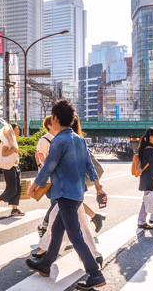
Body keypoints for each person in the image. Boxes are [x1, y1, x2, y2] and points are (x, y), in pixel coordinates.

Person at [24, 99, 107, 290]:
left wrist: (34, 186)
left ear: (54, 118)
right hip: (77, 193)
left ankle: (95, 274)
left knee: (75, 235)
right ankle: (45, 265)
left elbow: (48, 167)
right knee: (58, 229)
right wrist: (98, 186)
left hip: (65, 194)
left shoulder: (58, 141)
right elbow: (89, 165)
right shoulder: (79, 140)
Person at [0, 123, 24, 217]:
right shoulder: (7, 141)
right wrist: (13, 150)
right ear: (12, 130)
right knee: (12, 189)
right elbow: (4, 153)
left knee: (18, 188)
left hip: (15, 166)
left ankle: (14, 209)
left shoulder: (13, 140)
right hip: (8, 168)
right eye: (17, 129)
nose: (18, 131)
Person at [136, 127, 153, 229]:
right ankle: (141, 221)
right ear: (151, 137)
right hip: (149, 179)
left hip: (148, 178)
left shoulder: (149, 149)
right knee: (147, 200)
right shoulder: (150, 151)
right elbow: (152, 168)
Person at [35, 115, 55, 238]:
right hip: (49, 179)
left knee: (58, 204)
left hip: (58, 178)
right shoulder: (44, 140)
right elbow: (41, 159)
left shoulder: (57, 139)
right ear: (49, 125)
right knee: (56, 203)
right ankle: (44, 226)